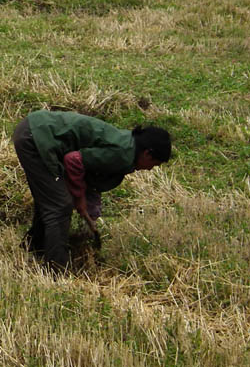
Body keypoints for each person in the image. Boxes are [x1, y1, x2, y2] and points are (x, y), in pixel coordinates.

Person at [12, 109, 172, 272]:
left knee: (52, 198)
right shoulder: (123, 154)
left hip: (36, 130)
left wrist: (89, 206)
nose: (151, 169)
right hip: (36, 137)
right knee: (60, 206)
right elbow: (73, 160)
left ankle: (35, 248)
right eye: (155, 164)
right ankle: (56, 270)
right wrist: (79, 197)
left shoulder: (127, 145)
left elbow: (91, 175)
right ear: (147, 153)